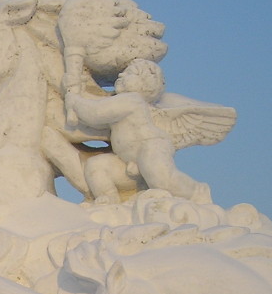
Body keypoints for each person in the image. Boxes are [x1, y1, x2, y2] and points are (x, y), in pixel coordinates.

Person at [64, 59, 210, 204]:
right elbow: (94, 112)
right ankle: (110, 199)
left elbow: (96, 113)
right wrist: (79, 92)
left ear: (146, 85)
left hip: (151, 146)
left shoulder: (132, 100)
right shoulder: (118, 102)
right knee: (96, 166)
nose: (121, 75)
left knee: (161, 177)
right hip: (128, 160)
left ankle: (196, 192)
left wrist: (74, 101)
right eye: (122, 73)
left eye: (130, 73)